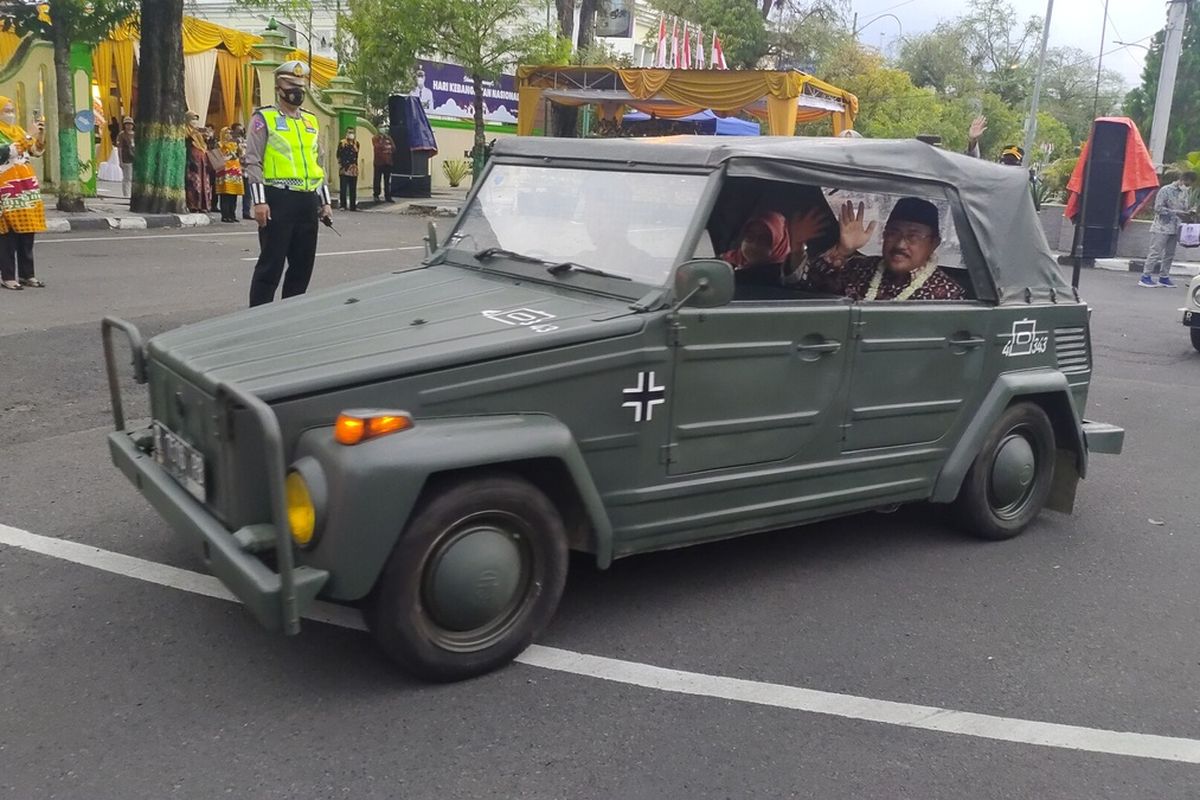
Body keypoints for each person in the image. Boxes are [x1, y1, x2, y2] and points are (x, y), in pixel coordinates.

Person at [243, 60, 333, 307]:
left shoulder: (310, 121)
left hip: (306, 201)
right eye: (291, 84)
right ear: (279, 87)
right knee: (271, 265)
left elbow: (319, 164)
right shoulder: (264, 119)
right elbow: (253, 161)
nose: (297, 90)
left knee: (303, 266)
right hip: (277, 199)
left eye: (301, 85)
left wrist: (325, 201)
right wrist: (259, 202)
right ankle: (259, 316)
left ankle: (290, 316)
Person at [788, 197, 966, 301]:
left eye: (913, 236)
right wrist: (843, 250)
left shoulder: (948, 295)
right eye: (893, 233)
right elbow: (806, 291)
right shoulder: (858, 269)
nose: (900, 245)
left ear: (934, 243)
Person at [0, 95, 46, 290]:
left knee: (27, 232)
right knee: (7, 236)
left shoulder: (17, 131)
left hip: (27, 190)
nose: (10, 114)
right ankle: (8, 276)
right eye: (6, 110)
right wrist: (28, 135)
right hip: (7, 191)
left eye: (11, 110)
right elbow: (6, 152)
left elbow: (34, 151)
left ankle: (28, 275)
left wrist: (40, 136)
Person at [1139, 170, 1196, 288]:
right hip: (1162, 226)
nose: (1188, 186)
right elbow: (1158, 208)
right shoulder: (1166, 190)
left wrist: (1190, 212)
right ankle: (1146, 276)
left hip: (1176, 227)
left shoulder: (1186, 192)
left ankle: (1164, 277)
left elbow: (1186, 207)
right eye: (1187, 183)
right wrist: (1176, 213)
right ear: (1182, 179)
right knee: (1155, 252)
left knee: (1169, 254)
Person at [721, 211, 792, 286]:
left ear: (779, 244)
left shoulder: (779, 277)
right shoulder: (728, 260)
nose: (754, 245)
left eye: (764, 239)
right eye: (750, 236)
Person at [214, 126, 244, 223]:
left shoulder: (234, 144)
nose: (228, 135)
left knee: (234, 194)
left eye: (230, 133)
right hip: (224, 171)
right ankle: (225, 215)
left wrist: (240, 147)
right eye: (226, 133)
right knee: (225, 194)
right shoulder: (219, 144)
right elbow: (218, 157)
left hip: (235, 170)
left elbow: (240, 155)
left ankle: (232, 214)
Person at [184, 111, 211, 213]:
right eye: (192, 119)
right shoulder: (185, 131)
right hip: (192, 162)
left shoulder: (198, 133)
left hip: (202, 162)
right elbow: (186, 145)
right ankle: (193, 205)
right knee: (193, 184)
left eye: (196, 119)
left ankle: (203, 205)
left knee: (203, 184)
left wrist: (206, 137)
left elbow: (204, 145)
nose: (195, 122)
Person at [336, 127, 360, 211]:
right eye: (349, 132)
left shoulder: (356, 144)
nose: (351, 134)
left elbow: (356, 155)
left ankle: (353, 206)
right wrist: (341, 164)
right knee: (343, 188)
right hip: (344, 168)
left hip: (353, 169)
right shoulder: (342, 143)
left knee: (353, 188)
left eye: (352, 132)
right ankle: (343, 205)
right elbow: (338, 155)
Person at [372, 124, 394, 202]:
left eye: (384, 128)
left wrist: (386, 148)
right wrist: (383, 144)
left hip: (388, 162)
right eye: (382, 128)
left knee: (387, 180)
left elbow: (393, 147)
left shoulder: (388, 138)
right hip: (379, 162)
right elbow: (377, 147)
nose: (383, 129)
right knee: (377, 179)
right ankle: (376, 195)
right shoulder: (376, 138)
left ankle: (388, 196)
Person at [116, 116, 135, 198]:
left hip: (135, 158)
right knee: (127, 177)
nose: (129, 126)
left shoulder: (135, 134)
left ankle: (132, 194)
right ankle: (126, 195)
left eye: (130, 124)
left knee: (133, 178)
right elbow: (119, 148)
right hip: (126, 158)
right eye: (127, 124)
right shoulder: (122, 135)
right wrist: (120, 160)